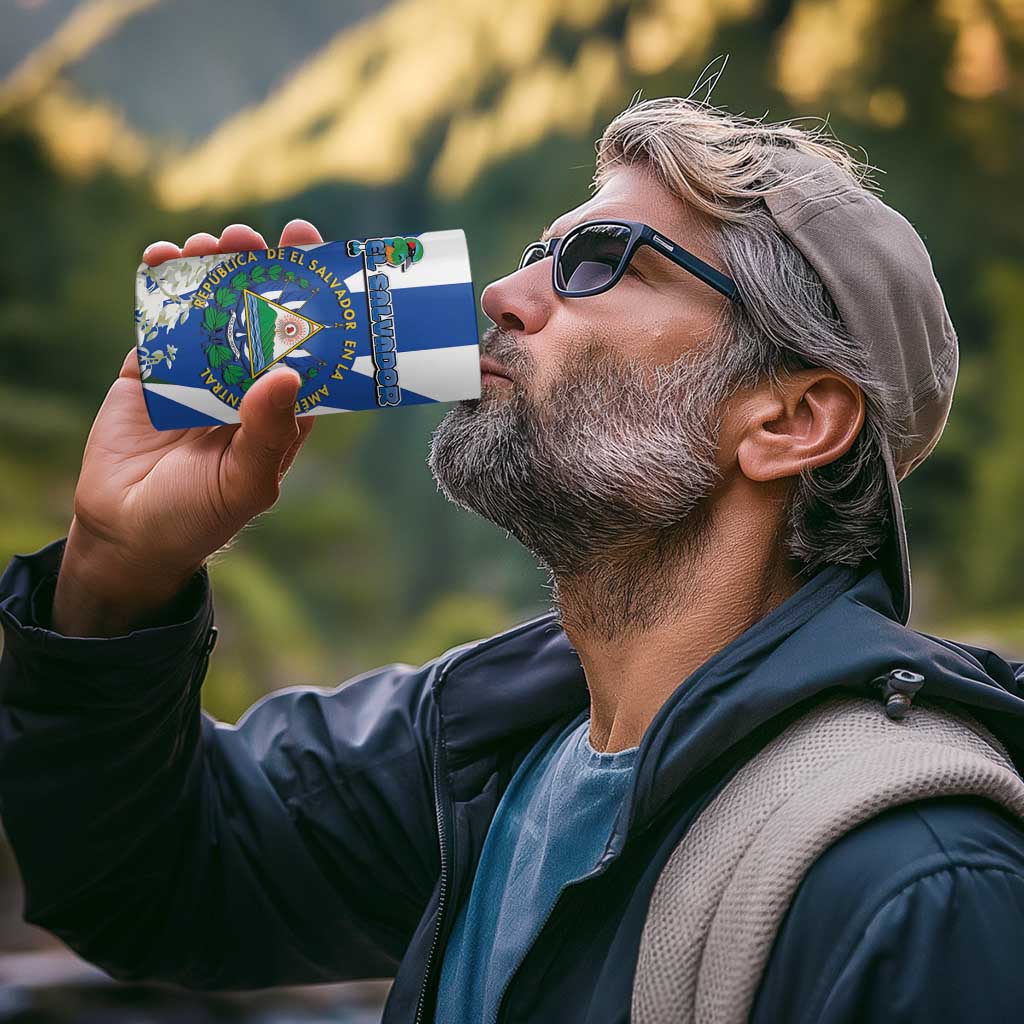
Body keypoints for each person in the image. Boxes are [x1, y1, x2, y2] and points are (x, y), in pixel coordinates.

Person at [2, 95, 1024, 1024]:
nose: (502, 291)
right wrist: (116, 571)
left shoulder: (918, 884)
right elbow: (149, 880)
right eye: (540, 252)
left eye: (599, 261)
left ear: (791, 419)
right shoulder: (479, 749)